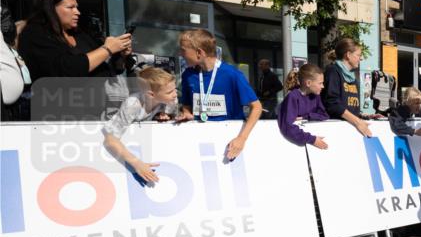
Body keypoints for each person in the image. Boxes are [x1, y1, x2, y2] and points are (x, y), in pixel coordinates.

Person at [17, 0, 132, 84]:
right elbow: (67, 70)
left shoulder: (79, 34)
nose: (77, 12)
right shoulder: (35, 34)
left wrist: (120, 54)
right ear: (50, 9)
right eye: (70, 7)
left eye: (76, 7)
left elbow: (103, 65)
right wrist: (107, 49)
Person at [177, 29, 262, 161]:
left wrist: (242, 138)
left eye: (183, 50)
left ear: (199, 53)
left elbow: (256, 107)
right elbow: (187, 106)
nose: (180, 54)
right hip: (200, 142)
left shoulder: (232, 74)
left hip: (229, 143)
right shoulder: (188, 75)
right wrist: (186, 113)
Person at [101, 67, 178, 184]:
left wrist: (165, 116)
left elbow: (171, 114)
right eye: (169, 92)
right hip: (124, 144)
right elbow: (110, 140)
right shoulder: (133, 104)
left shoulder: (170, 100)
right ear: (151, 94)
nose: (175, 94)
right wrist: (136, 163)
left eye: (175, 89)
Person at [322, 37, 372, 137]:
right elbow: (332, 104)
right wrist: (358, 122)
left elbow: (349, 106)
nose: (361, 58)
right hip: (337, 132)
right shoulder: (333, 71)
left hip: (351, 129)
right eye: (358, 55)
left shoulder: (353, 77)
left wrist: (363, 116)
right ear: (348, 55)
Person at [277, 63, 329, 148]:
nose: (323, 86)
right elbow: (287, 126)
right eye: (320, 83)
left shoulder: (316, 96)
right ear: (308, 83)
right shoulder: (292, 97)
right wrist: (312, 139)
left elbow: (324, 115)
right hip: (293, 147)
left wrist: (305, 116)